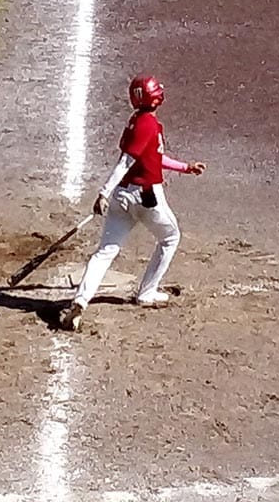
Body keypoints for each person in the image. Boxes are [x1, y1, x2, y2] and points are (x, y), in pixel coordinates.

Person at [61, 75, 206, 332]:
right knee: (170, 238)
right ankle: (147, 293)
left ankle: (81, 300)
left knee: (105, 251)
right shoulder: (149, 124)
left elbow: (153, 157)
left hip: (122, 197)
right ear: (156, 97)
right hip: (145, 196)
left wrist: (185, 167)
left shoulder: (135, 122)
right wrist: (103, 192)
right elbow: (126, 162)